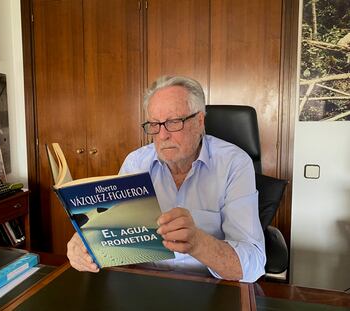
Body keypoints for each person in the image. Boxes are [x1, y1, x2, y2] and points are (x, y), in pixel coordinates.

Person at [67, 76, 266, 282]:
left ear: (199, 122)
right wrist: (87, 246)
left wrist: (198, 242)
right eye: (154, 124)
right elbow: (118, 242)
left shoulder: (234, 163)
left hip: (210, 287)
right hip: (143, 283)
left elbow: (252, 265)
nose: (162, 136)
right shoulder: (136, 163)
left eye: (173, 122)